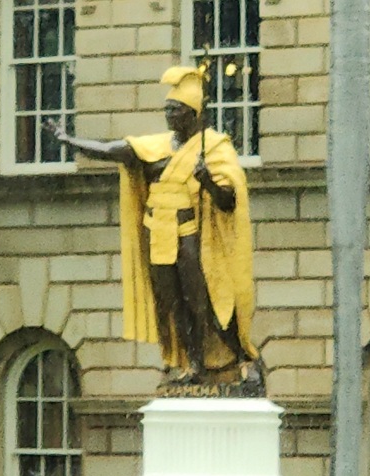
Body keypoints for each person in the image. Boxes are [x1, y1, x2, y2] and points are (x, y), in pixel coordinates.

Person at [46, 66, 260, 388]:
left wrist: (207, 182)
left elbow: (229, 200)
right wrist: (69, 141)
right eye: (166, 109)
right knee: (173, 304)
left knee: (204, 298)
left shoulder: (215, 147)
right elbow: (112, 151)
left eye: (175, 110)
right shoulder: (155, 147)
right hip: (156, 232)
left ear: (193, 114)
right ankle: (192, 364)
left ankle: (241, 358)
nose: (168, 115)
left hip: (189, 233)